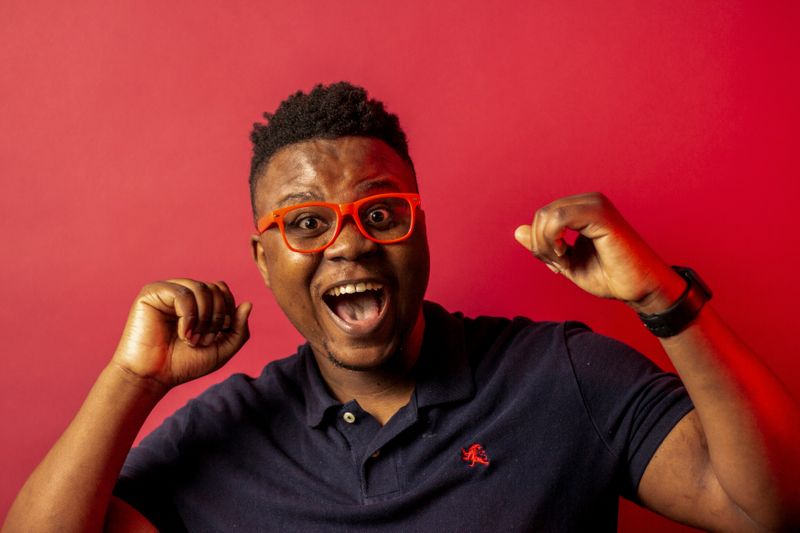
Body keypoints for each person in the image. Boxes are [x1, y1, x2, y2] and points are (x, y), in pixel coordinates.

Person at [4, 82, 799, 532]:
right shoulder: (229, 431)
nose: (348, 244)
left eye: (379, 211)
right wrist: (131, 379)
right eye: (306, 224)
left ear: (419, 227)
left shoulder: (560, 374)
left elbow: (768, 506)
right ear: (263, 259)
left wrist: (664, 296)